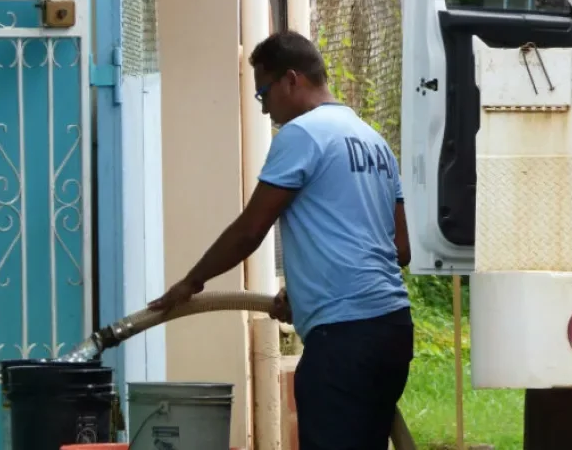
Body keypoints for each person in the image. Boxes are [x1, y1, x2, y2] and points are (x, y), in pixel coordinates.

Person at [148, 31, 413, 450]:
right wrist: (310, 292)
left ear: (291, 80)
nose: (266, 109)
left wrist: (191, 283)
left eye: (264, 94)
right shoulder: (373, 140)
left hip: (343, 339)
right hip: (393, 329)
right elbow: (400, 249)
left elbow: (250, 230)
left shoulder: (302, 135)